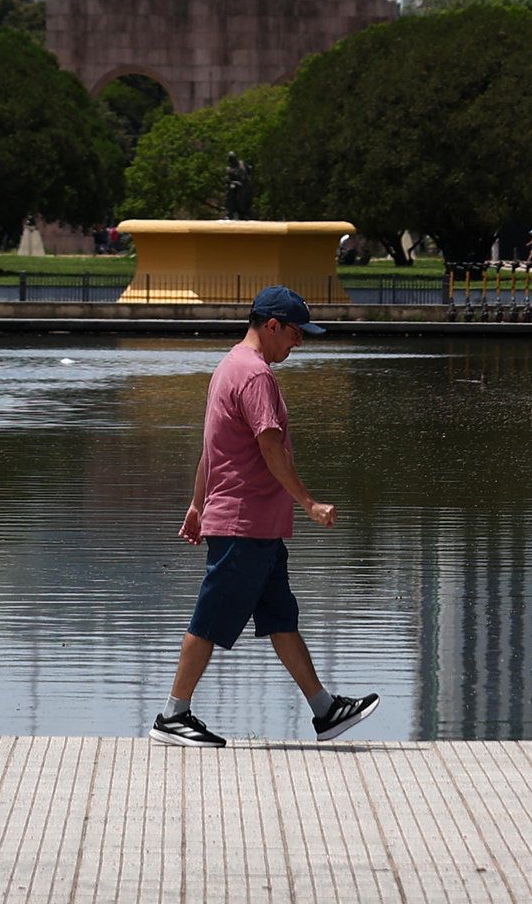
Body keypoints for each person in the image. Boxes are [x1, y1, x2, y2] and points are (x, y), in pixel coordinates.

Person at [150, 285, 379, 749]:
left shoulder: (229, 366)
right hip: (244, 523)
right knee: (210, 618)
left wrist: (197, 504)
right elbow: (270, 448)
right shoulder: (255, 377)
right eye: (296, 333)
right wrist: (309, 503)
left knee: (280, 617)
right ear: (272, 325)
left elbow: (212, 450)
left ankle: (324, 709)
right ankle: (173, 715)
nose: (299, 343)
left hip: (255, 524)